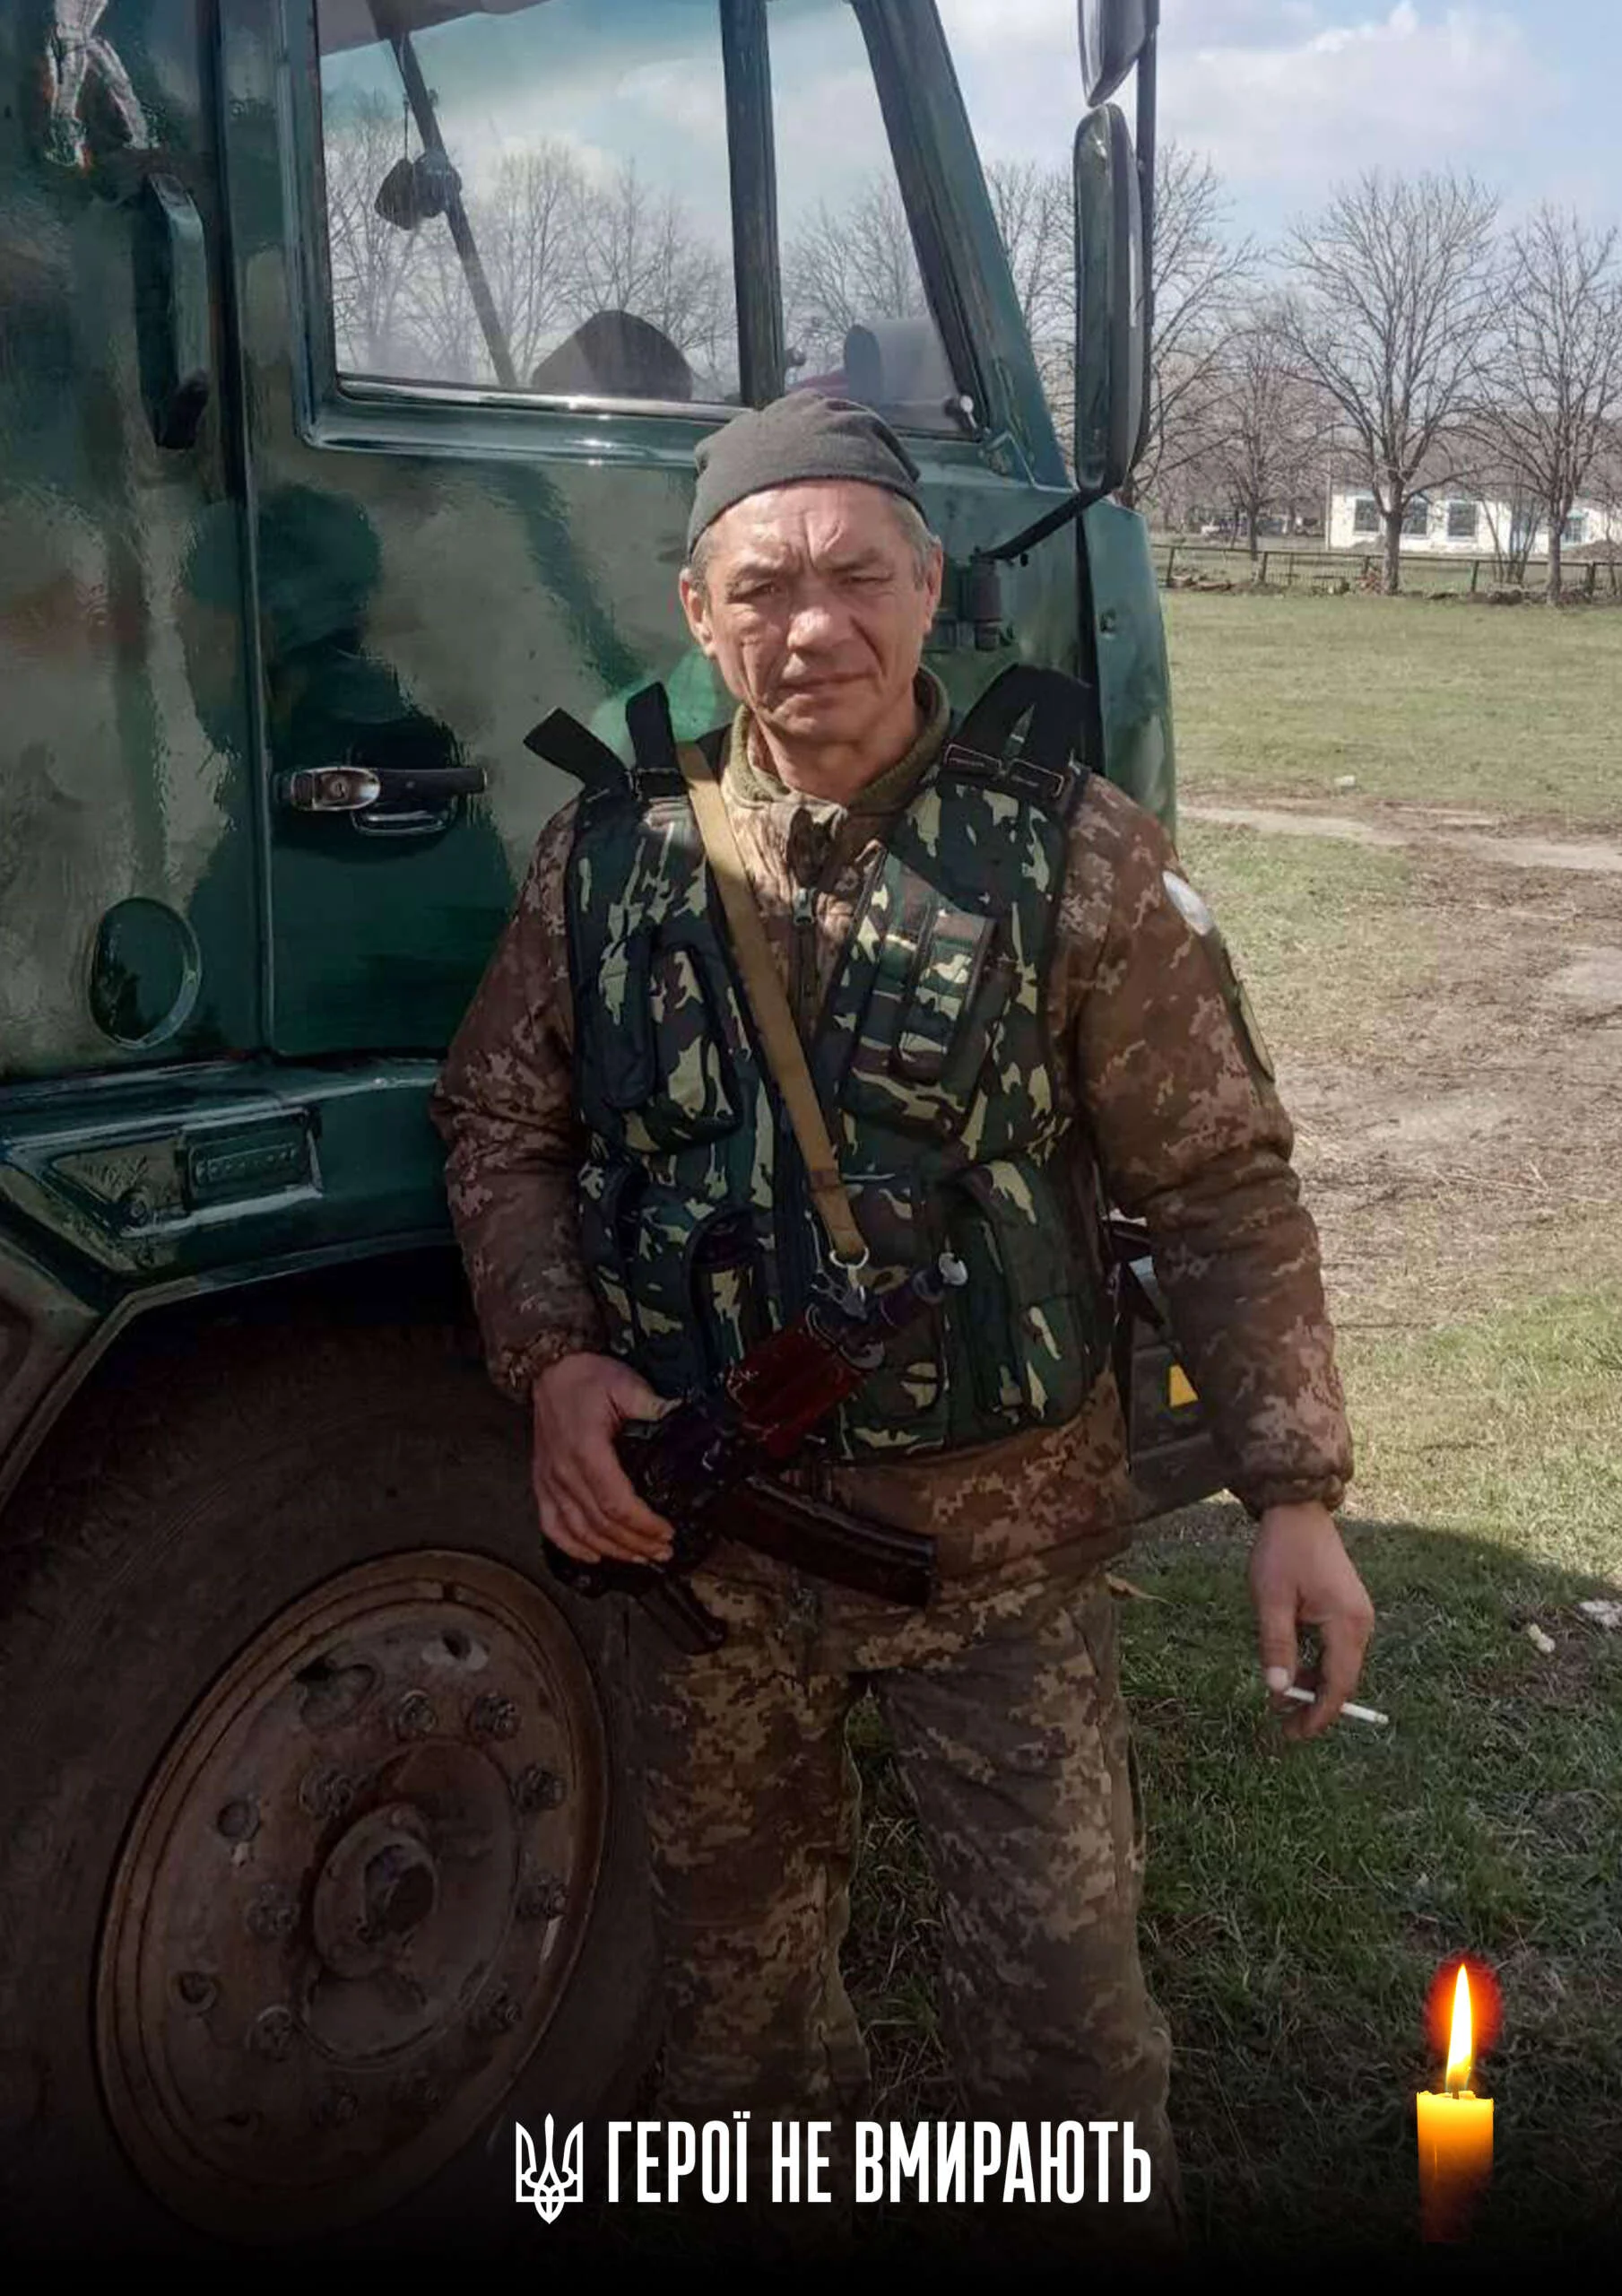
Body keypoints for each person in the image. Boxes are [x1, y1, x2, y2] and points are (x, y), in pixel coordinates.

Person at [429, 393, 1373, 2255]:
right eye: (762, 589)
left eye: (857, 576)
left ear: (929, 585)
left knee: (1066, 2046)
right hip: (707, 1571)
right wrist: (554, 1360)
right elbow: (498, 1124)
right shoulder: (604, 861)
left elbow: (1218, 1184)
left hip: (994, 1572)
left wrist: (1294, 1490)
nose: (813, 627)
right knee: (735, 2043)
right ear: (696, 614)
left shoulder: (1075, 858)